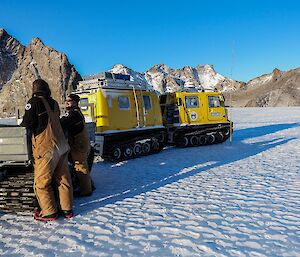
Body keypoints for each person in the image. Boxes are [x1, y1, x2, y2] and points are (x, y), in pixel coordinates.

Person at [21, 79, 73, 221]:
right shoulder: (54, 103)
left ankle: (49, 212)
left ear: (34, 89)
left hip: (46, 148)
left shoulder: (34, 102)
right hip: (61, 145)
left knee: (42, 182)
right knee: (63, 179)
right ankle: (67, 210)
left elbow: (27, 123)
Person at [60, 94, 93, 197]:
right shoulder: (75, 112)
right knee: (80, 166)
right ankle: (88, 185)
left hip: (78, 144)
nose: (66, 102)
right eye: (66, 100)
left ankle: (86, 190)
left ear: (74, 102)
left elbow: (62, 123)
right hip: (80, 143)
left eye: (69, 100)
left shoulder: (73, 114)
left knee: (80, 167)